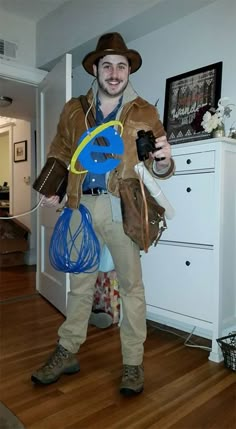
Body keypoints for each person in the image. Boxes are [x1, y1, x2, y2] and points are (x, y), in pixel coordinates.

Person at [31, 32, 175, 396]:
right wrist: (52, 188)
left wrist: (165, 161)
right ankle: (67, 351)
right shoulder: (74, 109)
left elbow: (158, 167)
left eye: (121, 66)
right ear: (95, 69)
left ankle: (132, 363)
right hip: (80, 206)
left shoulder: (144, 111)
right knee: (79, 287)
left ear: (129, 71)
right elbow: (61, 151)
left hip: (119, 205)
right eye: (107, 65)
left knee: (131, 287)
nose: (114, 73)